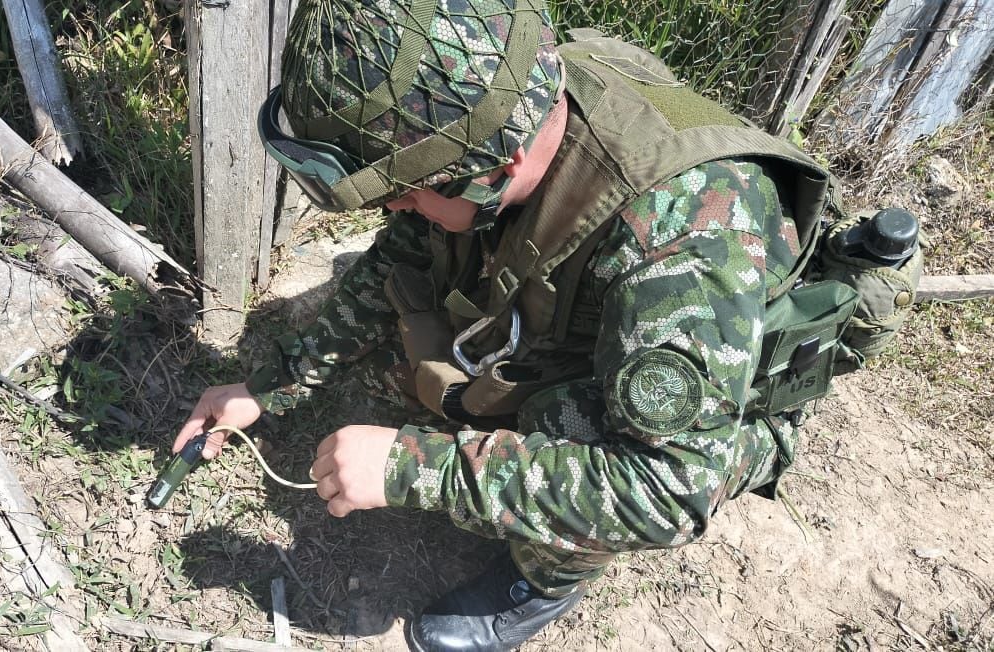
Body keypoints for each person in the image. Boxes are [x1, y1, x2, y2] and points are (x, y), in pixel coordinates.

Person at [173, 1, 908, 650]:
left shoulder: (677, 249)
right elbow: (407, 256)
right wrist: (270, 382)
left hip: (714, 421)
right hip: (609, 314)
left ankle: (542, 583)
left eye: (406, 192)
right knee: (430, 332)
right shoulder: (502, 90)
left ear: (502, 164)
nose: (393, 210)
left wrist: (409, 466)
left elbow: (670, 488)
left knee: (568, 422)